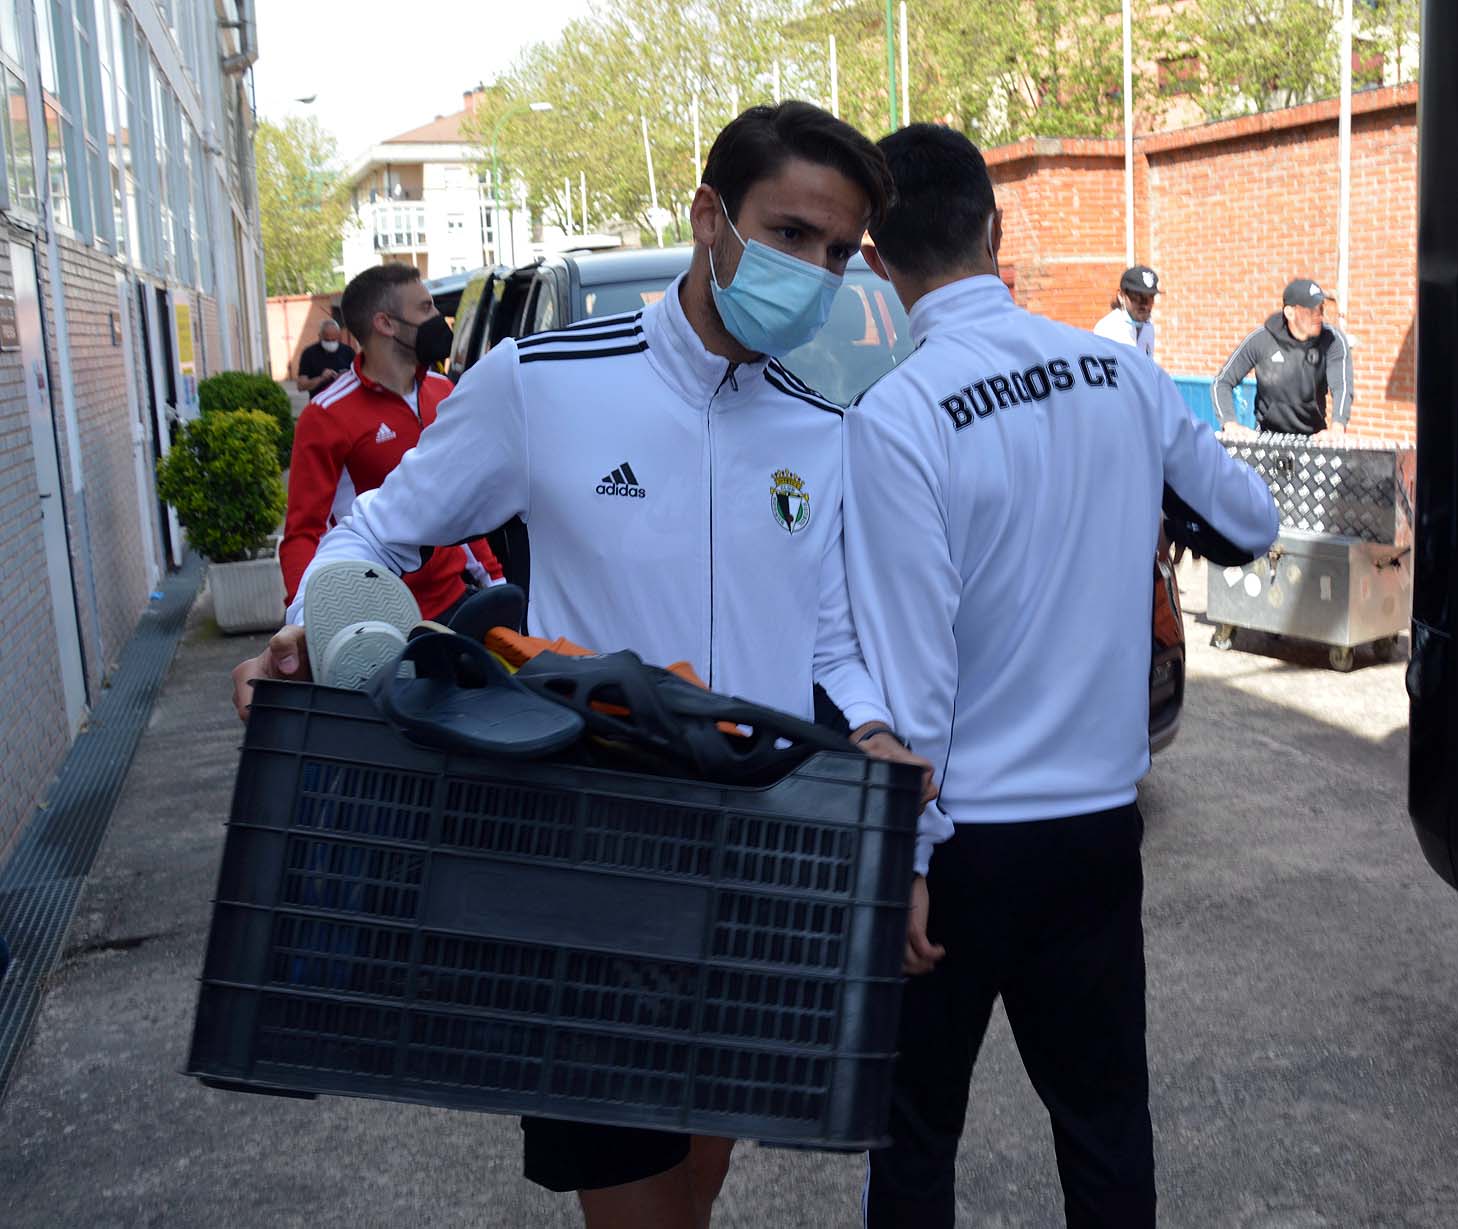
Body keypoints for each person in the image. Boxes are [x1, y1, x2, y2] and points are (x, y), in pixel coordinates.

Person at [231, 101, 936, 1229]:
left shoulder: (819, 424)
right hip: (588, 863)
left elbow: (834, 636)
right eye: (791, 234)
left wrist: (871, 731)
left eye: (839, 252)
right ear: (711, 217)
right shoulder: (543, 382)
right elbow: (373, 535)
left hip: (755, 857)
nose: (814, 272)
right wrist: (330, 625)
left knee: (698, 1174)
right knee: (637, 1204)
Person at [845, 125, 1279, 1228]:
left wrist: (912, 854)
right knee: (1104, 1127)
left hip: (965, 842)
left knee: (913, 1136)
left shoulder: (895, 415)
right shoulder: (1125, 376)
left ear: (877, 261)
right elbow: (1247, 520)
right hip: (1094, 832)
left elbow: (911, 668)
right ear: (997, 230)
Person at [278, 264, 506, 623]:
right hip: (378, 618)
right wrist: (307, 626)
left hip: (455, 602)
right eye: (425, 308)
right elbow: (303, 534)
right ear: (385, 323)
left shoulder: (443, 391)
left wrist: (495, 579)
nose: (438, 318)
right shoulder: (326, 415)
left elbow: (458, 502)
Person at [1211, 277, 1354, 435]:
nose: (1318, 316)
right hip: (1267, 436)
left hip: (1314, 438)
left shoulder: (1332, 341)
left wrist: (1337, 428)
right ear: (1290, 313)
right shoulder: (1261, 340)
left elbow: (1342, 386)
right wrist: (1229, 424)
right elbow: (1222, 382)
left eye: (1321, 309)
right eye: (1311, 311)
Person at [1092, 265, 1160, 360]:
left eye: (1150, 297)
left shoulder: (1148, 327)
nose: (1145, 304)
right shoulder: (1107, 329)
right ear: (1121, 296)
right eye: (1137, 296)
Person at [294, 318, 353, 395]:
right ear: (320, 336)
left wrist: (345, 377)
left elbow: (358, 379)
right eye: (327, 340)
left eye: (334, 340)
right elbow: (301, 386)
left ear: (339, 336)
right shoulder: (309, 353)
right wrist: (321, 378)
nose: (331, 343)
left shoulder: (348, 351)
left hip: (344, 400)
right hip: (320, 402)